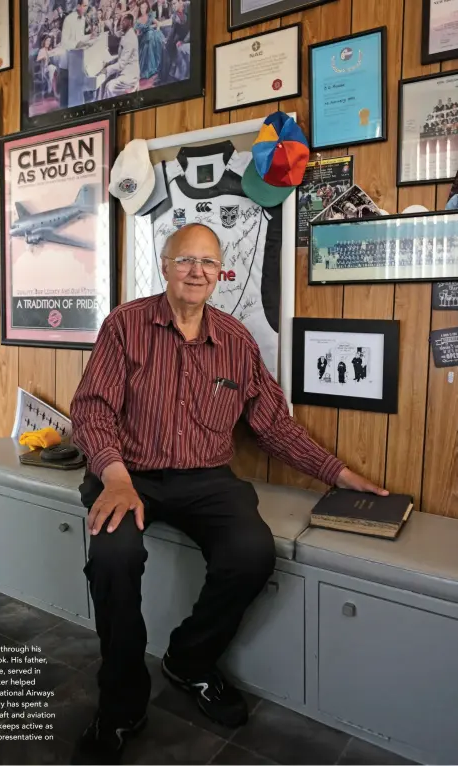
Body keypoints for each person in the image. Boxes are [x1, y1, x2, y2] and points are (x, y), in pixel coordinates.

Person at [70, 223, 388, 764]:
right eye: (185, 260)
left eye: (208, 263)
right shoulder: (125, 326)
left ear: (221, 273)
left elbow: (273, 426)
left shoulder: (236, 342)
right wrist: (115, 474)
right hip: (128, 474)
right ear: (165, 265)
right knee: (113, 559)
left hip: (206, 479)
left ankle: (190, 661)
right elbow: (92, 408)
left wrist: (337, 473)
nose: (196, 272)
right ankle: (121, 705)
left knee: (252, 553)